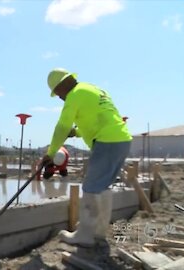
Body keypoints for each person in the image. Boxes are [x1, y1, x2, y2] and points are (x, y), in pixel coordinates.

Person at [41, 68, 132, 247]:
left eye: (57, 92)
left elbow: (62, 126)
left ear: (62, 85)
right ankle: (97, 231)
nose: (59, 97)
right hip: (121, 140)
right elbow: (101, 119)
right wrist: (77, 132)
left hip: (107, 142)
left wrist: (50, 154)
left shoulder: (74, 95)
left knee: (90, 188)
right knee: (102, 187)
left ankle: (85, 235)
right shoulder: (93, 89)